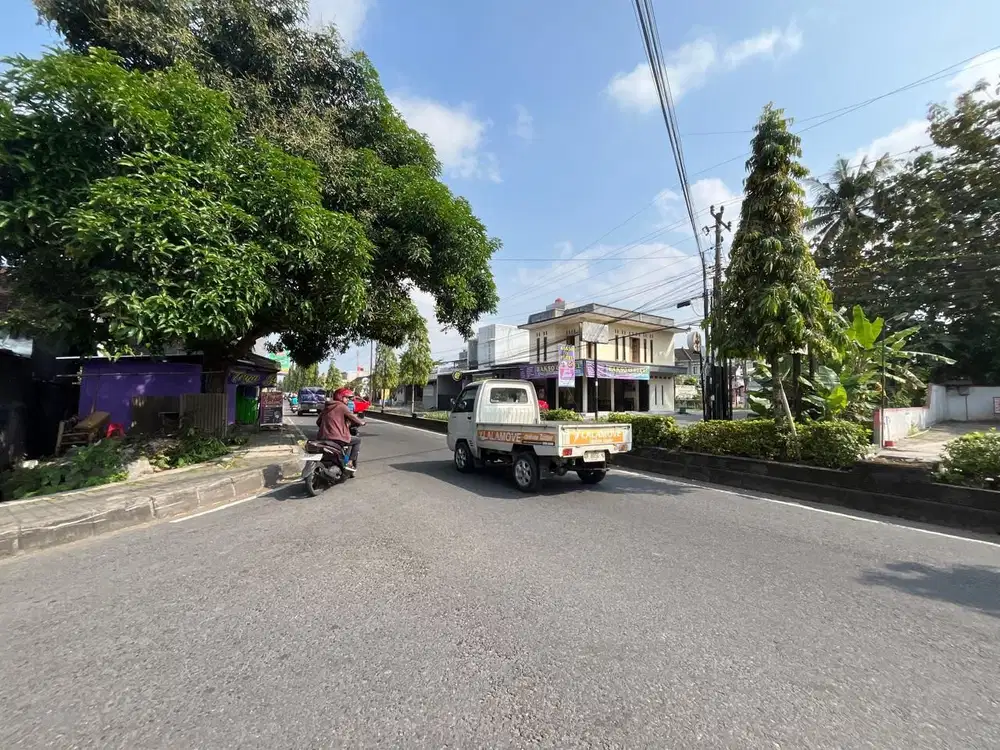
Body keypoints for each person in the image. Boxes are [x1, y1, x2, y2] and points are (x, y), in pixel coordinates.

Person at [317, 387, 365, 474]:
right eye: (346, 397)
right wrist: (362, 423)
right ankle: (350, 462)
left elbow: (318, 422)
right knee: (357, 440)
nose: (347, 400)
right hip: (337, 438)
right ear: (340, 397)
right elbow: (353, 418)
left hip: (322, 438)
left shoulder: (327, 407)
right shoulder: (342, 406)